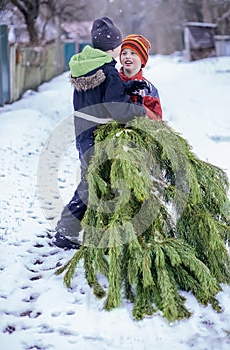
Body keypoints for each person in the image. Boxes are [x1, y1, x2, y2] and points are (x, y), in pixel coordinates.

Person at [53, 17, 147, 250]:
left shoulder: (86, 65)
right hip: (96, 135)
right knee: (90, 184)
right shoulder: (109, 71)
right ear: (114, 48)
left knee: (93, 180)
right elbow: (116, 107)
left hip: (82, 132)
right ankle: (65, 231)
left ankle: (93, 226)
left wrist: (127, 87)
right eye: (120, 47)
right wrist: (138, 110)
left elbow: (100, 93)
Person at [119, 34, 162, 121]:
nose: (127, 56)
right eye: (124, 53)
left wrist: (141, 109)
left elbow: (158, 120)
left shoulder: (149, 89)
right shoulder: (114, 81)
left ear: (142, 59)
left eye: (133, 53)